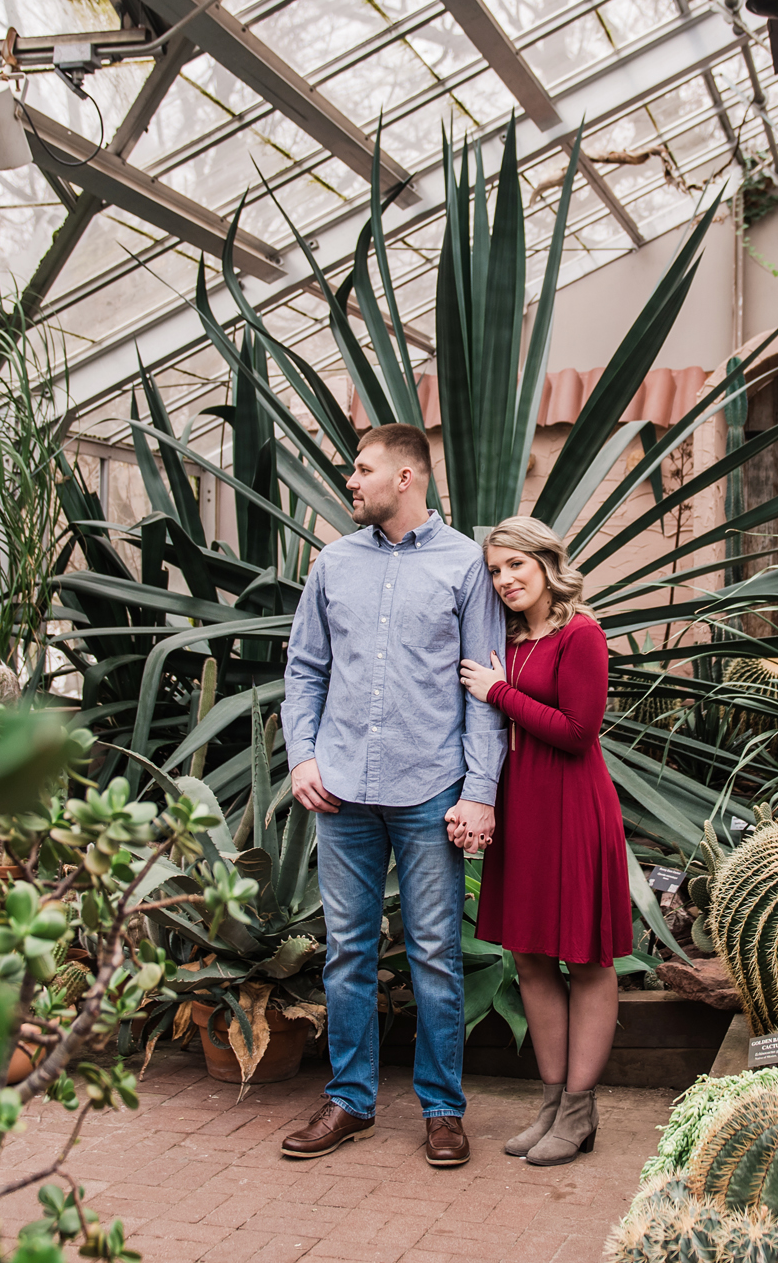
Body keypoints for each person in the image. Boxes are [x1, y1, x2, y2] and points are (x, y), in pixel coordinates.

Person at [278, 422, 506, 1168]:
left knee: (435, 953)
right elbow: (305, 668)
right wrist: (303, 755)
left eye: (362, 469)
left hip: (427, 789)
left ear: (406, 477)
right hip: (340, 789)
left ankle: (443, 1109)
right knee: (346, 950)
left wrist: (479, 791)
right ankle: (350, 1100)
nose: (351, 480)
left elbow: (484, 687)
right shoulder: (333, 563)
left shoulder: (466, 565)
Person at [458, 515, 632, 1167]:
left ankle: (581, 1110)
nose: (504, 579)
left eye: (516, 566)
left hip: (575, 807)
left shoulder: (580, 634)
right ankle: (552, 1102)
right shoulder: (508, 638)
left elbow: (579, 730)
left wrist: (498, 691)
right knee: (529, 957)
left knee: (585, 960)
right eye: (496, 570)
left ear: (547, 564)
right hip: (523, 808)